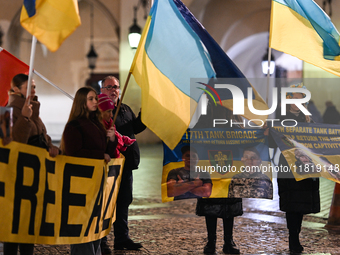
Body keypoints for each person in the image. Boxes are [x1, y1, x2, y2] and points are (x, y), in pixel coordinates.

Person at [4, 73, 60, 255]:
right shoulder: (8, 111)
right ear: (15, 90)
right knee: (15, 226)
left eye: (34, 86)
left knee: (29, 225)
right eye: (29, 87)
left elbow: (42, 136)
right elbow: (12, 143)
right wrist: (25, 118)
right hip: (18, 178)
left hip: (34, 177)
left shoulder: (34, 111)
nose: (34, 90)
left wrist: (52, 146)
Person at [60, 86, 117, 255]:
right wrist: (100, 155)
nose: (95, 102)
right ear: (82, 103)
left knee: (95, 227)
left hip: (96, 184)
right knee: (83, 229)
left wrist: (112, 139)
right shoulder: (74, 126)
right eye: (91, 99)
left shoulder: (96, 123)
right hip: (80, 185)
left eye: (95, 98)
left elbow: (108, 151)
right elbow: (74, 153)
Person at [100, 76, 146, 252]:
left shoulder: (124, 108)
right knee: (106, 203)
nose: (113, 90)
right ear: (102, 89)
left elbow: (134, 128)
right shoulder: (100, 109)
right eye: (109, 86)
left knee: (124, 201)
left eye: (116, 87)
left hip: (126, 164)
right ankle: (102, 240)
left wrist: (143, 116)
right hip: (110, 164)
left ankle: (122, 238)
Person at [276, 83, 320, 254]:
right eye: (295, 97)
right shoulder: (280, 118)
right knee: (291, 203)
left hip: (305, 165)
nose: (298, 101)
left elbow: (317, 141)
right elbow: (274, 143)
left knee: (301, 204)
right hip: (288, 164)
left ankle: (296, 234)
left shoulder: (309, 118)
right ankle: (293, 237)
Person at [194, 102, 243, 255]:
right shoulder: (206, 117)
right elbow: (195, 136)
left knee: (229, 206)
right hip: (210, 166)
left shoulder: (235, 117)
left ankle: (229, 241)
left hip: (231, 167)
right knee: (211, 206)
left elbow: (245, 138)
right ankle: (211, 241)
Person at [97, 93, 136, 158]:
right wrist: (101, 155)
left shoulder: (110, 126)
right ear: (100, 111)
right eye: (109, 111)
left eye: (112, 111)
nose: (111, 115)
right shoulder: (95, 128)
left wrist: (113, 139)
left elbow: (111, 150)